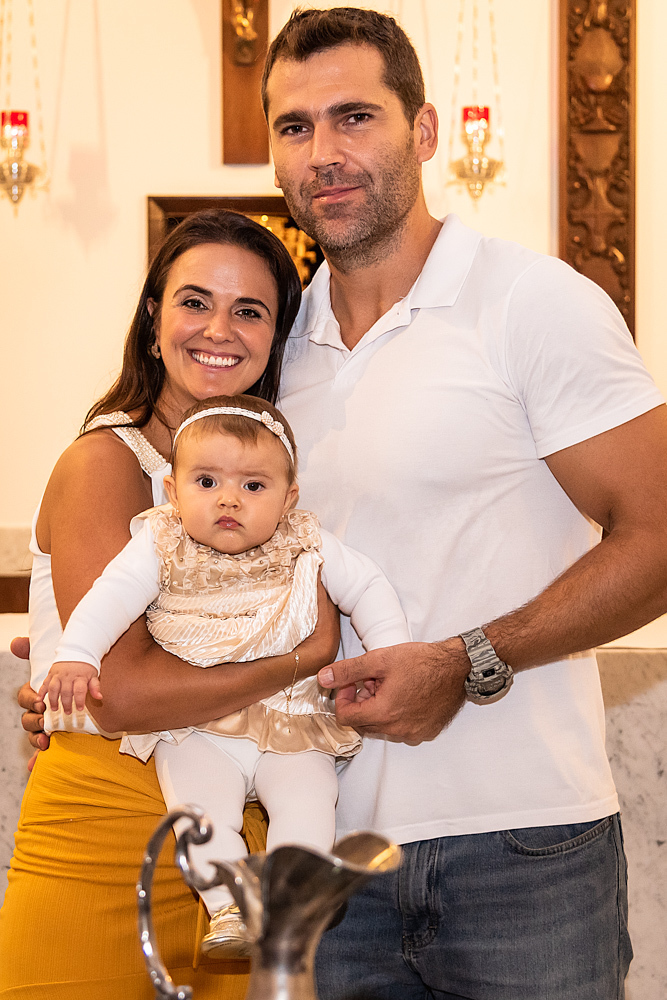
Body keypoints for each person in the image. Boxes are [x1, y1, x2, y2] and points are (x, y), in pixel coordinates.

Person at [255, 7, 667, 1000]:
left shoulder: (530, 302)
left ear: (425, 130)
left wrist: (468, 659)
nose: (323, 152)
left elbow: (659, 535)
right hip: (326, 851)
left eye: (355, 116)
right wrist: (88, 662)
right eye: (295, 126)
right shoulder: (271, 350)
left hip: (522, 848)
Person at [0, 210, 341, 999]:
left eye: (249, 310)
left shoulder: (272, 487)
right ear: (154, 319)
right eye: (194, 302)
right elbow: (117, 692)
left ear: (274, 339)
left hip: (241, 835)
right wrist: (300, 659)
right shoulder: (106, 461)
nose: (218, 329)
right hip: (106, 828)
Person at [39, 393, 410, 959]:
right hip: (197, 726)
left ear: (289, 498)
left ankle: (291, 903)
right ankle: (229, 907)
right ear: (173, 491)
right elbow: (109, 597)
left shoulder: (306, 540)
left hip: (291, 720)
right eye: (206, 482)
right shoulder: (160, 541)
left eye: (253, 486)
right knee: (198, 812)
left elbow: (368, 586)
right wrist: (77, 655)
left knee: (310, 803)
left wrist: (391, 657)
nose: (229, 499)